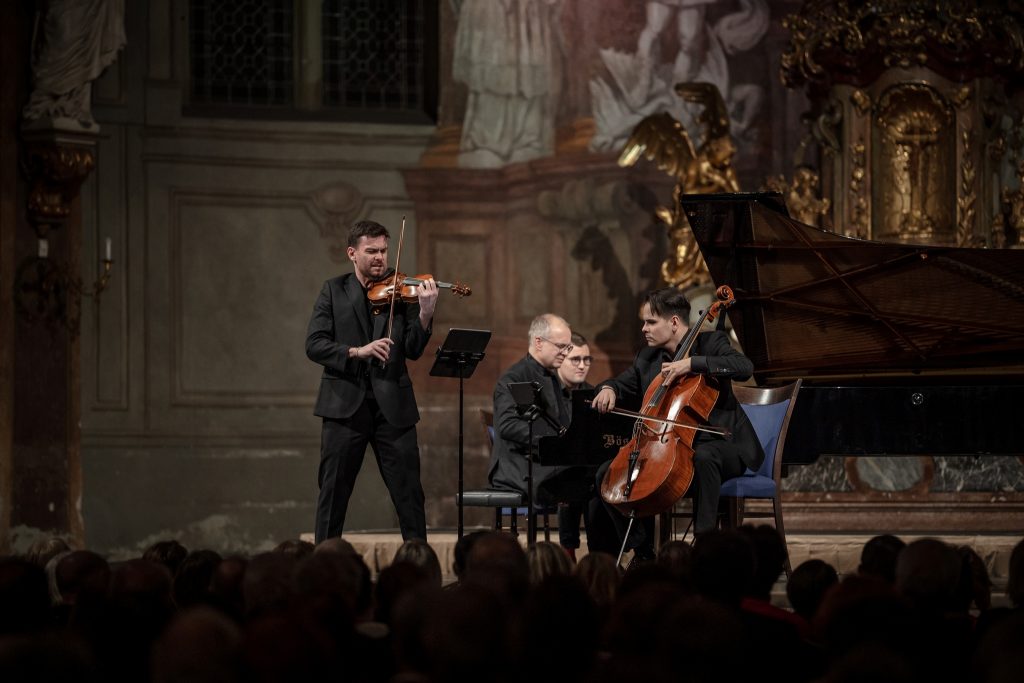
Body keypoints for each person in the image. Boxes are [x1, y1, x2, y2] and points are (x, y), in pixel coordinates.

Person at [592, 287, 763, 559]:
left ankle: (704, 549)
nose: (644, 329)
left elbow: (744, 368)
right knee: (607, 474)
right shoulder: (647, 357)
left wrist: (692, 364)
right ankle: (643, 551)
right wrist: (608, 389)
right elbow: (620, 382)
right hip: (669, 448)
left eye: (651, 322)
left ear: (673, 322)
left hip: (721, 443)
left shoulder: (711, 342)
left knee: (704, 457)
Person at [306, 220, 438, 543]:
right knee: (333, 494)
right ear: (352, 253)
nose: (380, 257)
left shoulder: (401, 291)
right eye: (372, 251)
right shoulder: (333, 290)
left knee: (409, 494)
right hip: (344, 407)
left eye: (384, 250)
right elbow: (315, 344)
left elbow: (413, 350)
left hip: (392, 407)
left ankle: (418, 562)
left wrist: (425, 314)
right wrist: (356, 351)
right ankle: (324, 564)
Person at [555, 332, 594, 560]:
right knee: (572, 480)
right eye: (575, 359)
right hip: (554, 467)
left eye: (586, 359)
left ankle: (600, 555)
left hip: (584, 468)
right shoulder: (548, 392)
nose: (582, 366)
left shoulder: (593, 394)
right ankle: (568, 554)